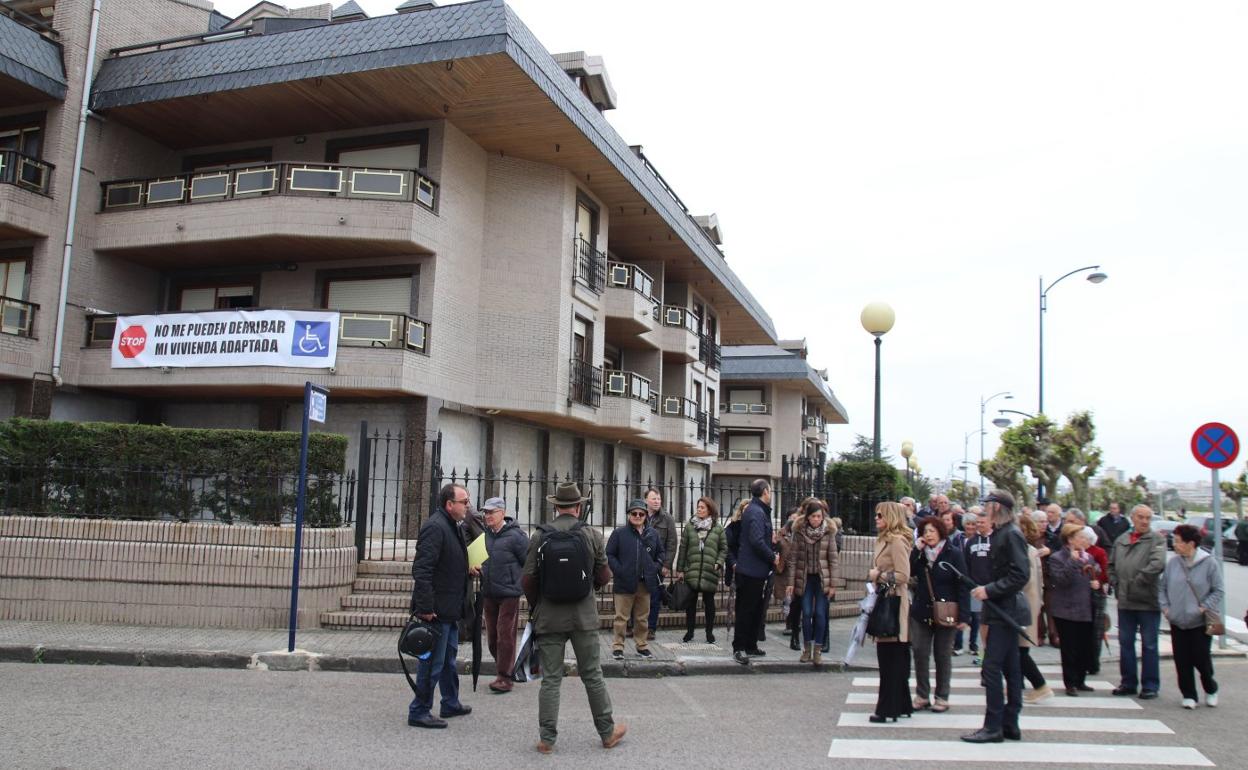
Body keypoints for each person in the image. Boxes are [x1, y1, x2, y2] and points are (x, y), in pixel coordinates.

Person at [522, 482, 626, 753]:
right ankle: (607, 732)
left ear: (555, 507)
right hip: (584, 617)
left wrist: (538, 605)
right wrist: (588, 587)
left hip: (549, 617)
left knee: (551, 679)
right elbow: (604, 576)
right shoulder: (591, 534)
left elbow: (527, 579)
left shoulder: (540, 536)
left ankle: (547, 738)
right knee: (592, 674)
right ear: (578, 507)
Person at [962, 490, 1030, 744]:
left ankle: (993, 726)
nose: (983, 511)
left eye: (987, 506)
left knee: (991, 668)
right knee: (1011, 667)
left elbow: (1020, 574)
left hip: (1005, 609)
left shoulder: (1010, 534)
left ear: (997, 508)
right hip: (1002, 608)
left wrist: (989, 590)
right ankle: (1010, 723)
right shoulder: (1003, 533)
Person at [407, 483, 474, 729]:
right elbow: (422, 570)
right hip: (436, 611)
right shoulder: (435, 527)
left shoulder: (452, 526)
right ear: (449, 504)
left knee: (448, 660)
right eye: (464, 501)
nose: (468, 505)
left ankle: (450, 702)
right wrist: (425, 608)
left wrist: (466, 568)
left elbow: (446, 562)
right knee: (432, 662)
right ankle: (419, 710)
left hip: (450, 608)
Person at [909, 515, 970, 712]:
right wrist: (916, 550)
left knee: (942, 654)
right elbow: (909, 571)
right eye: (925, 532)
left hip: (946, 610)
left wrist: (964, 615)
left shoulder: (953, 553)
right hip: (922, 609)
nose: (929, 535)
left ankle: (942, 695)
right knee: (920, 652)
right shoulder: (921, 554)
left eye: (932, 531)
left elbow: (962, 584)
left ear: (940, 532)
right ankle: (922, 694)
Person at [1160, 524, 1223, 709]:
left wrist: (1204, 607)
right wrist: (1166, 609)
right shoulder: (1173, 563)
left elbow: (1218, 590)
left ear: (1191, 543)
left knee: (1201, 659)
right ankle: (1188, 694)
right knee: (1182, 659)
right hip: (1177, 620)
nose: (1175, 544)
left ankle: (1210, 689)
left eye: (1178, 541)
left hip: (1200, 622)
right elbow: (1162, 588)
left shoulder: (1209, 563)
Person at [1109, 504, 1166, 699]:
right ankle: (1128, 682)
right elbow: (1111, 565)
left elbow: (1157, 564)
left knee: (1149, 645)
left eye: (1148, 518)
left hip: (1147, 600)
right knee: (1126, 643)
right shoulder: (1122, 540)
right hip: (1125, 601)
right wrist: (1116, 583)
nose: (1144, 521)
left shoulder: (1156, 539)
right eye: (1141, 517)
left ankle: (1150, 685)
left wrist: (1135, 583)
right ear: (1132, 518)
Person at [868, 501, 913, 722]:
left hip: (893, 602)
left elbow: (904, 575)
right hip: (886, 598)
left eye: (880, 515)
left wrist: (879, 576)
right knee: (894, 658)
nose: (876, 518)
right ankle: (901, 703)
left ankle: (887, 708)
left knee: (890, 658)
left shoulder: (896, 541)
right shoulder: (885, 540)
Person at [478, 497, 529, 693]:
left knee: (505, 635)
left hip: (509, 593)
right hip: (489, 592)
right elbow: (481, 558)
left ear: (502, 513)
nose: (487, 516)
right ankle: (507, 668)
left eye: (491, 512)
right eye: (486, 512)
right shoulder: (485, 535)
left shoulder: (517, 536)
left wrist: (518, 583)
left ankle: (504, 677)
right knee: (492, 638)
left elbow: (529, 562)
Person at [606, 499, 664, 660]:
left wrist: (655, 566)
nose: (637, 516)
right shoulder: (619, 534)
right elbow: (609, 554)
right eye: (634, 513)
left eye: (641, 514)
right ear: (629, 515)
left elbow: (661, 553)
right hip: (624, 582)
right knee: (621, 617)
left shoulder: (653, 534)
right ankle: (618, 647)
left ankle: (642, 646)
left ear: (646, 515)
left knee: (642, 617)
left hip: (645, 583)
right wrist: (619, 570)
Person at [1047, 523, 1100, 696]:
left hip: (1085, 608)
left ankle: (1081, 679)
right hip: (1066, 609)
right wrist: (1072, 561)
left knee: (1084, 646)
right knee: (1069, 648)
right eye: (1080, 537)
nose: (1084, 540)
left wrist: (1096, 583)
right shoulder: (1057, 558)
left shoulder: (1089, 557)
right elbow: (1061, 580)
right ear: (1070, 539)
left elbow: (1093, 575)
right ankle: (1070, 682)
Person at [786, 499, 838, 665]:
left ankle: (818, 650)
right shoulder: (799, 533)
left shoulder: (828, 533)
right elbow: (793, 559)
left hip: (822, 579)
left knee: (821, 614)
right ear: (807, 517)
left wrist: (833, 584)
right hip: (806, 578)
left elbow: (833, 560)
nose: (816, 519)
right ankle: (806, 648)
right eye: (814, 516)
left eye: (819, 516)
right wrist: (791, 582)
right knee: (806, 612)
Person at [732, 479, 777, 665]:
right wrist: (772, 557)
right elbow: (757, 541)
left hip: (755, 570)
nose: (771, 494)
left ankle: (750, 644)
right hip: (750, 571)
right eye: (770, 491)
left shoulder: (758, 511)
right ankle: (739, 647)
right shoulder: (756, 512)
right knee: (746, 610)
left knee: (755, 609)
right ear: (765, 491)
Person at [675, 496, 726, 644]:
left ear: (709, 509)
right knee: (690, 604)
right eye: (698, 507)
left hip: (710, 571)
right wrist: (680, 569)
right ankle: (689, 632)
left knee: (709, 603)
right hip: (692, 569)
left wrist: (718, 563)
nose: (699, 509)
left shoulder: (718, 527)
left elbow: (723, 549)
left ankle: (709, 633)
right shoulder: (690, 526)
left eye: (702, 507)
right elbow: (683, 548)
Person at [1017, 514, 1054, 703]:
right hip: (1029, 605)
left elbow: (1023, 581)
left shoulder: (1024, 551)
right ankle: (1018, 686)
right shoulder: (1031, 550)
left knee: (1019, 651)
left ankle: (1040, 685)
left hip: (1021, 607)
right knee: (1018, 650)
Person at [643, 488, 677, 641]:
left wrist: (667, 565)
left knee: (654, 598)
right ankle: (635, 626)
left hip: (657, 564)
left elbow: (672, 543)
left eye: (658, 499)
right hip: (639, 564)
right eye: (653, 499)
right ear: (646, 501)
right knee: (637, 596)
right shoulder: (639, 515)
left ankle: (651, 629)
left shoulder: (667, 518)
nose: (657, 501)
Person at [965, 511, 993, 664]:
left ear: (990, 523)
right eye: (978, 522)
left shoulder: (995, 540)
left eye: (983, 522)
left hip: (992, 588)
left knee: (991, 621)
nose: (980, 525)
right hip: (975, 587)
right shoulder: (971, 542)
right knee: (980, 620)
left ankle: (992, 651)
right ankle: (984, 651)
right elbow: (966, 563)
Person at [953, 511, 979, 656]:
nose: (970, 527)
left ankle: (973, 644)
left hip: (974, 581)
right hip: (960, 580)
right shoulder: (958, 539)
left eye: (973, 524)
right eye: (968, 524)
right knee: (960, 613)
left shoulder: (978, 541)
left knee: (975, 615)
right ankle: (958, 645)